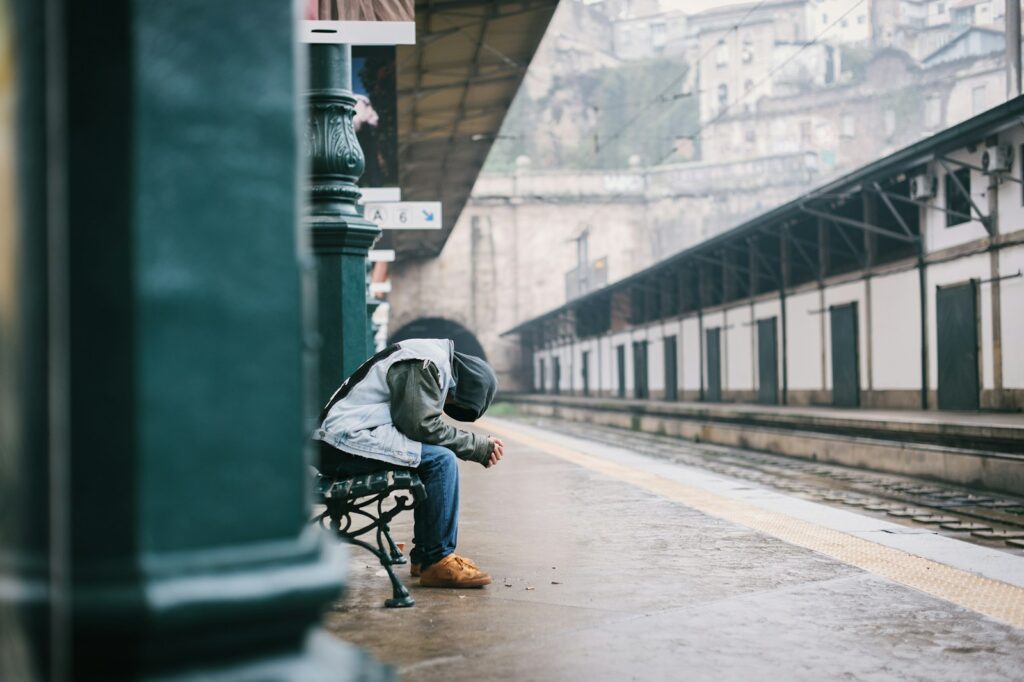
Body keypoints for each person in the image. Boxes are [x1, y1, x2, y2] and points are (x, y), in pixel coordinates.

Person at [315, 338, 504, 588]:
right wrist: (477, 446)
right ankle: (437, 559)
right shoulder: (425, 362)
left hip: (341, 440)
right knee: (441, 461)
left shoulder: (426, 357)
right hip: (342, 442)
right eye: (453, 403)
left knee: (435, 457)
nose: (446, 404)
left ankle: (426, 556)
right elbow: (419, 424)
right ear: (461, 389)